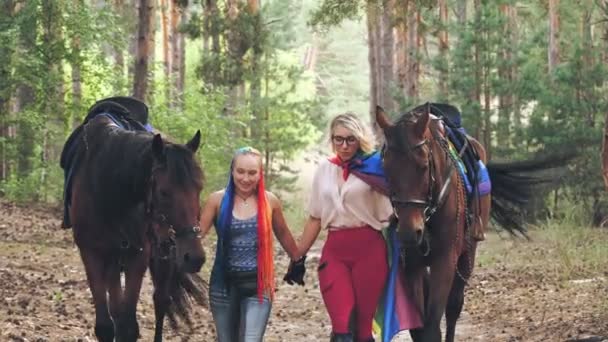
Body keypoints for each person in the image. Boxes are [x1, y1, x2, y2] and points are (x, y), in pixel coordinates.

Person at [284, 113, 419, 342]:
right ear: (331, 139)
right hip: (335, 252)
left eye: (350, 139)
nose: (344, 145)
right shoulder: (324, 169)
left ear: (360, 139)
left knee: (363, 330)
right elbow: (315, 218)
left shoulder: (376, 167)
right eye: (338, 139)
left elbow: (397, 207)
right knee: (342, 326)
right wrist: (298, 256)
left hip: (370, 252)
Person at [199, 146, 303, 342]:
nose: (245, 178)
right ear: (232, 170)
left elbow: (282, 232)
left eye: (252, 173)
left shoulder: (270, 201)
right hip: (223, 285)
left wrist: (298, 260)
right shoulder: (216, 200)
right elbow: (197, 235)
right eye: (240, 171)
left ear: (260, 173)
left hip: (259, 286)